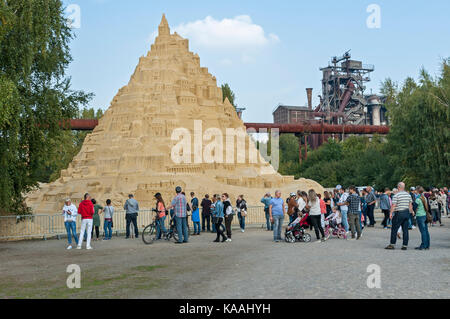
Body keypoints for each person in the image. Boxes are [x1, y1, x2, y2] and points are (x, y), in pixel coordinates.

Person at [385, 182, 414, 250]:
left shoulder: (396, 195)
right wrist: (412, 212)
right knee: (405, 230)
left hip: (399, 213)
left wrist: (391, 213)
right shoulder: (408, 195)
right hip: (406, 213)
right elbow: (410, 205)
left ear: (398, 187)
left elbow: (394, 205)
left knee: (394, 229)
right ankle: (404, 245)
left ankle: (392, 244)